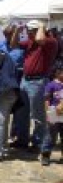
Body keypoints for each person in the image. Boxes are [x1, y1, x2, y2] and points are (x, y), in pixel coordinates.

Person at [11, 20, 58, 160]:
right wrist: (17, 31)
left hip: (38, 81)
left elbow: (40, 39)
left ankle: (38, 142)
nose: (29, 33)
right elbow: (13, 45)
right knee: (22, 112)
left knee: (38, 114)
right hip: (26, 80)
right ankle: (22, 140)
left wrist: (42, 26)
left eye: (32, 30)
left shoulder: (50, 42)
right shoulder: (31, 42)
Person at [41, 67, 63, 165]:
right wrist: (48, 112)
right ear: (58, 73)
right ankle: (45, 155)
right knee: (50, 135)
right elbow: (47, 99)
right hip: (54, 113)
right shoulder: (51, 85)